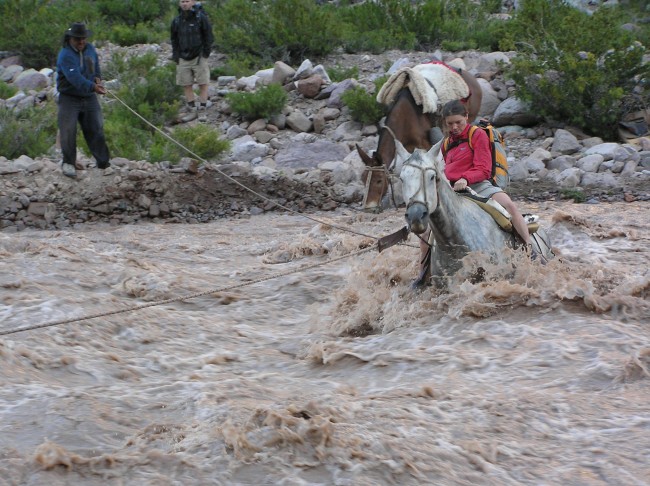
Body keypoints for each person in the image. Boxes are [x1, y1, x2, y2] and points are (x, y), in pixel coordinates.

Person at [413, 99, 536, 288]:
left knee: (509, 206)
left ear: (467, 118)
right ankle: (423, 274)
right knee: (428, 232)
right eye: (450, 124)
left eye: (458, 123)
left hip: (479, 185)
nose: (454, 127)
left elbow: (484, 169)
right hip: (454, 191)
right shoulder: (445, 144)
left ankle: (529, 248)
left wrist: (466, 179)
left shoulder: (477, 135)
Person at [56, 22, 110, 179]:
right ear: (70, 39)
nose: (81, 42)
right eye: (77, 39)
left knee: (96, 128)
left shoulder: (90, 49)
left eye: (83, 39)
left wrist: (98, 80)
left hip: (89, 96)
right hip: (69, 97)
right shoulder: (65, 55)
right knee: (68, 130)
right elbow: (75, 78)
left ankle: (103, 163)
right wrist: (93, 87)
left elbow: (96, 67)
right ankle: (68, 163)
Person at [171, 0, 214, 112]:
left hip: (199, 56)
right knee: (186, 83)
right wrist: (176, 55)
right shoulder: (176, 21)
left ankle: (203, 107)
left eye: (187, 1)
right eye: (182, 1)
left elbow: (208, 35)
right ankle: (192, 107)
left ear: (192, 2)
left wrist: (206, 53)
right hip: (183, 56)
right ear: (179, 3)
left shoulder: (200, 18)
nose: (184, 4)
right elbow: (174, 39)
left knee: (203, 83)